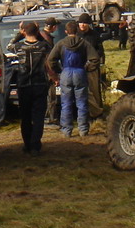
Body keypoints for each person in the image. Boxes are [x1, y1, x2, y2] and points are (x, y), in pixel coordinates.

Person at [10, 20, 56, 155]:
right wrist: (38, 33)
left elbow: (9, 46)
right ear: (37, 32)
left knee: (25, 117)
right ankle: (35, 145)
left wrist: (20, 33)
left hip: (24, 85)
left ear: (24, 32)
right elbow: (49, 46)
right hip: (39, 84)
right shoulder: (43, 46)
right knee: (38, 117)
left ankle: (27, 144)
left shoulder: (19, 47)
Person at [49, 21, 91, 136]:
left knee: (66, 103)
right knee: (82, 103)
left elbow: (51, 59)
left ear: (66, 31)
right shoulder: (83, 43)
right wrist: (87, 68)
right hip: (80, 72)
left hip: (66, 73)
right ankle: (83, 129)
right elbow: (95, 58)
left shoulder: (61, 43)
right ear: (77, 30)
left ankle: (66, 130)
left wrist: (58, 70)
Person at [77, 13, 105, 121]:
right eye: (80, 23)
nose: (82, 25)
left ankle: (96, 114)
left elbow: (100, 51)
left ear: (88, 24)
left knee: (94, 91)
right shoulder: (76, 35)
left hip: (91, 68)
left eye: (84, 23)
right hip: (78, 67)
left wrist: (92, 60)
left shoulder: (95, 35)